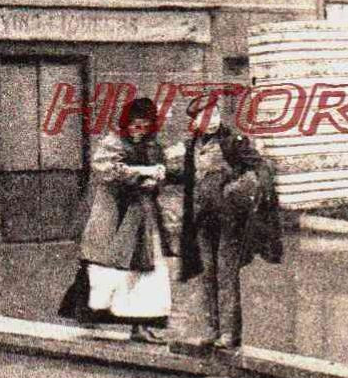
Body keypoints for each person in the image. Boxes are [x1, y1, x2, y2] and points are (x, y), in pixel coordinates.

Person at [174, 93, 282, 350]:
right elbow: (190, 178)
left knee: (226, 276)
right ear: (195, 121)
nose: (211, 121)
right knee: (207, 275)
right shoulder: (192, 145)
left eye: (215, 115)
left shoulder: (233, 141)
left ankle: (230, 334)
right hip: (202, 219)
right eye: (205, 116)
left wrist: (238, 189)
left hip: (229, 220)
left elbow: (262, 168)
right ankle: (212, 330)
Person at [64, 97, 172, 343]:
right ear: (127, 123)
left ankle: (141, 326)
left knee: (147, 274)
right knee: (106, 271)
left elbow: (162, 170)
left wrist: (159, 176)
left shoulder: (152, 146)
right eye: (135, 125)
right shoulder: (113, 142)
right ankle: (93, 317)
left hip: (143, 218)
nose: (139, 131)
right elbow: (105, 170)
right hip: (114, 218)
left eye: (145, 126)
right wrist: (142, 173)